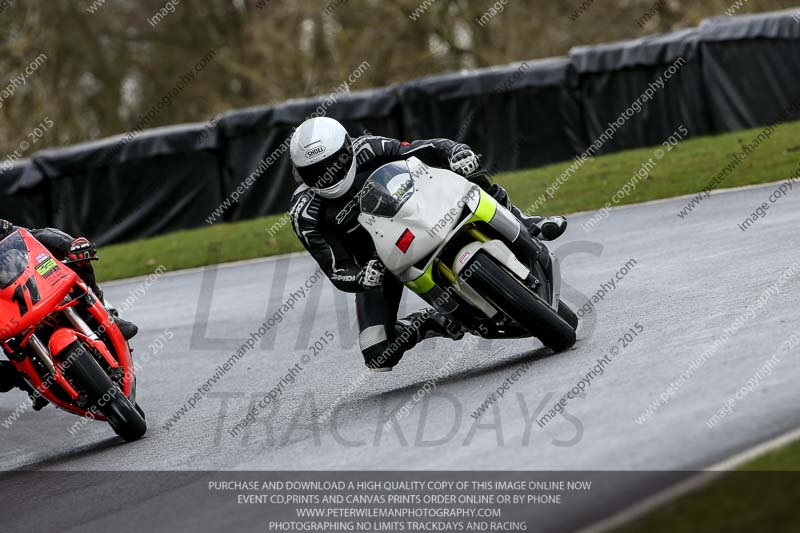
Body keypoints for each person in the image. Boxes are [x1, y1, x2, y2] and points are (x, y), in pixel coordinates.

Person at [288, 117, 567, 372]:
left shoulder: (369, 149)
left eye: (334, 164)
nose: (328, 175)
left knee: (467, 169)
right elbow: (335, 267)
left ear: (347, 149)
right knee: (377, 353)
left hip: (425, 208)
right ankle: (434, 322)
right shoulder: (305, 213)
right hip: (379, 264)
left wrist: (454, 152)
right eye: (315, 172)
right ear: (300, 173)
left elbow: (426, 148)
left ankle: (524, 220)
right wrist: (362, 276)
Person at [0, 219, 138, 402]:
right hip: (7, 314)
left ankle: (102, 316)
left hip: (33, 283)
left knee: (78, 258)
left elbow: (32, 236)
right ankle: (26, 380)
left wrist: (70, 245)